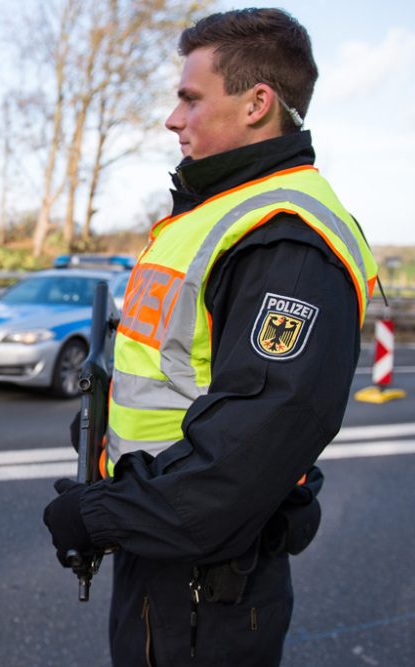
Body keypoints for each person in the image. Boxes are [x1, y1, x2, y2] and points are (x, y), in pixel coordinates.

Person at [42, 8, 378, 666]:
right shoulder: (219, 213)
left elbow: (243, 457)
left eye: (190, 99)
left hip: (204, 591)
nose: (174, 119)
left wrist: (101, 513)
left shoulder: (286, 236)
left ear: (257, 104)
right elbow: (168, 377)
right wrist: (101, 449)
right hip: (164, 556)